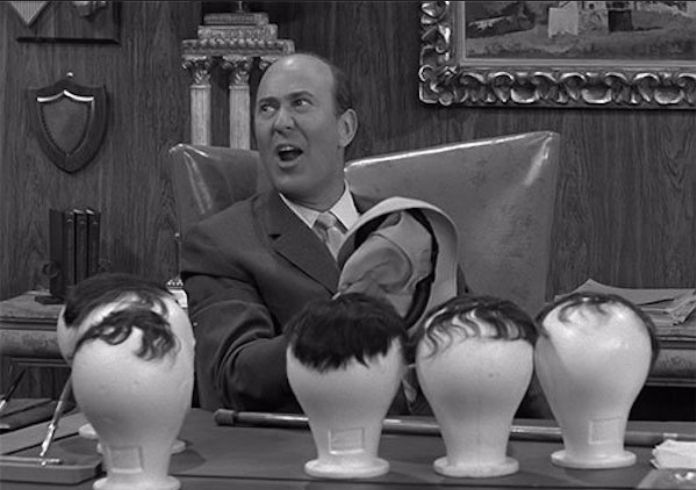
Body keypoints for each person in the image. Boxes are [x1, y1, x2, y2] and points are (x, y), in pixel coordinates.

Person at [181, 52, 467, 412]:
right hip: (309, 439)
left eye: (299, 103)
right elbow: (232, 375)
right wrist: (345, 319)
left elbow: (469, 339)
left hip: (428, 433)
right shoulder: (220, 243)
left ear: (345, 128)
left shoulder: (407, 226)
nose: (280, 122)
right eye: (267, 108)